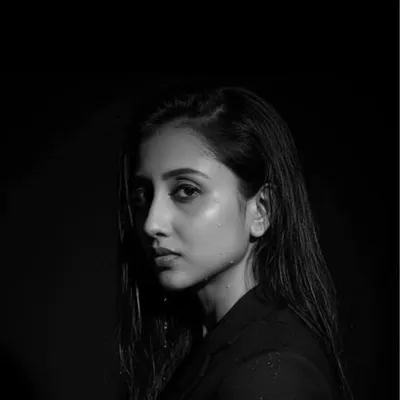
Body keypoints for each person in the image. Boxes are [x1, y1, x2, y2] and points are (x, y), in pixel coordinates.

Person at [115, 80, 353, 400]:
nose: (151, 223)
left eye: (186, 190)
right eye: (143, 196)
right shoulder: (200, 345)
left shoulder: (272, 373)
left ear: (262, 210)